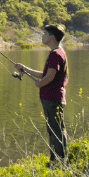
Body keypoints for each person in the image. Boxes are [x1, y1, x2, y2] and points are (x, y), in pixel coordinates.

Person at [15, 24, 69, 165]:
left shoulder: (55, 54)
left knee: (56, 129)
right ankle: (56, 159)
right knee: (54, 129)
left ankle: (59, 160)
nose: (42, 36)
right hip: (52, 98)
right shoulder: (58, 52)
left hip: (52, 98)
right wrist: (25, 69)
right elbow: (45, 74)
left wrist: (40, 84)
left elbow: (49, 77)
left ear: (51, 37)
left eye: (44, 34)